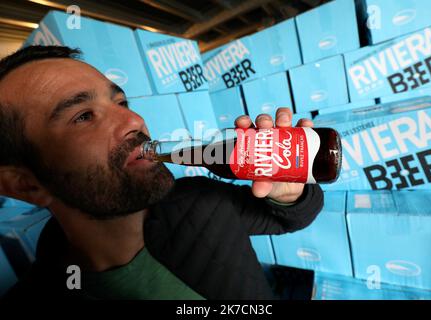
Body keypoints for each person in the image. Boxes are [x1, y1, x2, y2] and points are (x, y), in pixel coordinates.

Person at [0, 46, 323, 300]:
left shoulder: (199, 199)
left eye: (121, 102)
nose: (134, 121)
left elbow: (289, 219)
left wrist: (289, 190)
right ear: (25, 184)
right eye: (84, 116)